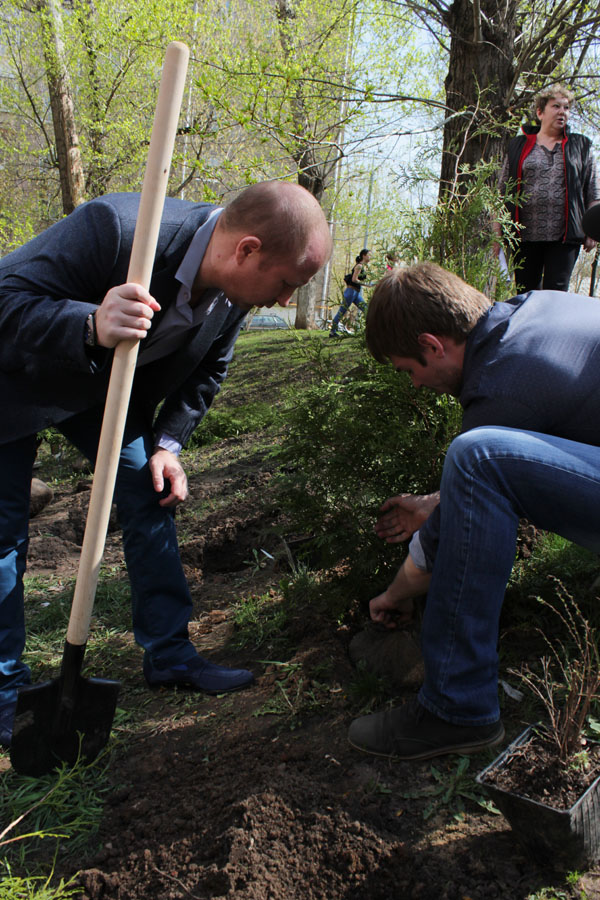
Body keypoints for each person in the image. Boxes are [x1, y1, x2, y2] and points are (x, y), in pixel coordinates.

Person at [0, 181, 332, 748]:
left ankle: (170, 655)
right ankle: (6, 698)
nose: (282, 301)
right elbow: (5, 300)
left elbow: (209, 369)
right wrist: (88, 324)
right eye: (285, 284)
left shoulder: (233, 292)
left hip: (103, 394)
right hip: (15, 378)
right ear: (247, 249)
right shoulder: (117, 228)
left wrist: (167, 446)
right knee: (3, 535)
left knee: (149, 494)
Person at [347, 261, 600, 761]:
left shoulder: (502, 385)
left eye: (409, 370)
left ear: (432, 345)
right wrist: (443, 500)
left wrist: (395, 594)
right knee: (479, 463)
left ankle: (455, 709)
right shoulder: (536, 308)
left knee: (475, 457)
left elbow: (476, 484)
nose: (415, 385)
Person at [496, 83, 599, 292]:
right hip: (524, 236)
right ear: (540, 112)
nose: (562, 112)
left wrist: (593, 230)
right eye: (556, 106)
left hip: (565, 236)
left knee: (557, 294)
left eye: (566, 108)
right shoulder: (518, 145)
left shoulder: (581, 146)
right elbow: (503, 191)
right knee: (526, 294)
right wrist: (497, 234)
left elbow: (593, 192)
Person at [329, 248, 371, 336]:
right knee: (342, 311)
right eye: (369, 255)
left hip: (355, 294)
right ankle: (332, 331)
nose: (370, 257)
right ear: (364, 255)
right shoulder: (359, 266)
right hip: (351, 292)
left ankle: (368, 330)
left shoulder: (362, 267)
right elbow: (354, 279)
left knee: (366, 309)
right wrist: (366, 284)